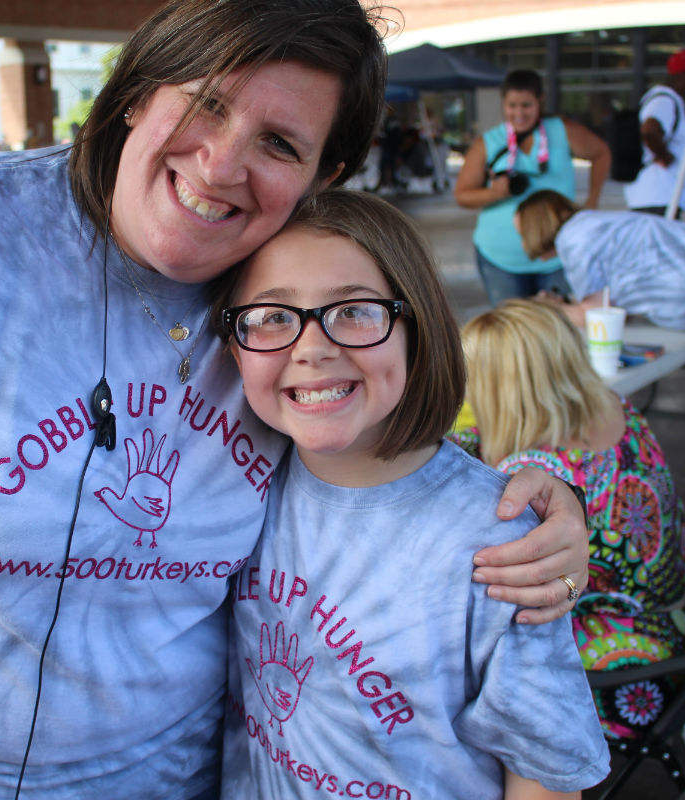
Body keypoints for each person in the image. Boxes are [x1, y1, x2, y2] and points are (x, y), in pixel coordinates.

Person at [0, 2, 591, 798]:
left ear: (326, 172)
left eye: (280, 144)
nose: (223, 162)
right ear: (136, 92)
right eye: (205, 103)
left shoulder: (274, 293)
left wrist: (534, 504)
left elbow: (374, 425)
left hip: (175, 774)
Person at [215, 190, 609, 798]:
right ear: (233, 346)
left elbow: (543, 775)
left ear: (417, 327)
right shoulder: (235, 483)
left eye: (354, 311)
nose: (313, 347)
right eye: (270, 316)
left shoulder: (503, 541)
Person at [455, 299, 685, 739]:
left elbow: (492, 599)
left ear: (496, 388)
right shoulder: (615, 406)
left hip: (624, 670)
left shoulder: (537, 479)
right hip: (673, 621)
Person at [516, 188, 685, 547]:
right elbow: (617, 292)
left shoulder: (573, 240)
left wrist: (540, 309)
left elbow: (594, 311)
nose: (521, 240)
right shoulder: (595, 223)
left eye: (521, 231)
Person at [454, 69, 610, 306]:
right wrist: (494, 193)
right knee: (514, 333)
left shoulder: (561, 129)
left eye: (526, 105)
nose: (519, 113)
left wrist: (592, 202)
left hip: (558, 256)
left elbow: (601, 153)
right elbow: (462, 195)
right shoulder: (488, 142)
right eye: (512, 105)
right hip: (501, 258)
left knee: (559, 328)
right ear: (503, 104)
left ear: (540, 101)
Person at [624, 49, 685, 219]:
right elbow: (649, 130)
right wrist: (664, 157)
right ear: (684, 75)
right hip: (659, 198)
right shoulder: (664, 100)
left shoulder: (672, 100)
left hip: (664, 198)